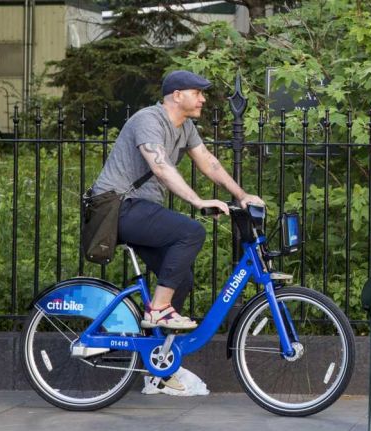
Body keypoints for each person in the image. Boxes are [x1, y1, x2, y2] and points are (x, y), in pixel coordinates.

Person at [92, 70, 264, 331]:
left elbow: (208, 161)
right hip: (118, 208)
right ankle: (158, 309)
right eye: (197, 93)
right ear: (176, 95)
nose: (203, 99)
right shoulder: (148, 120)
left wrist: (242, 196)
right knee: (191, 232)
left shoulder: (185, 127)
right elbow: (161, 166)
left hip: (141, 209)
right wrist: (198, 201)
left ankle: (156, 350)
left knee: (180, 280)